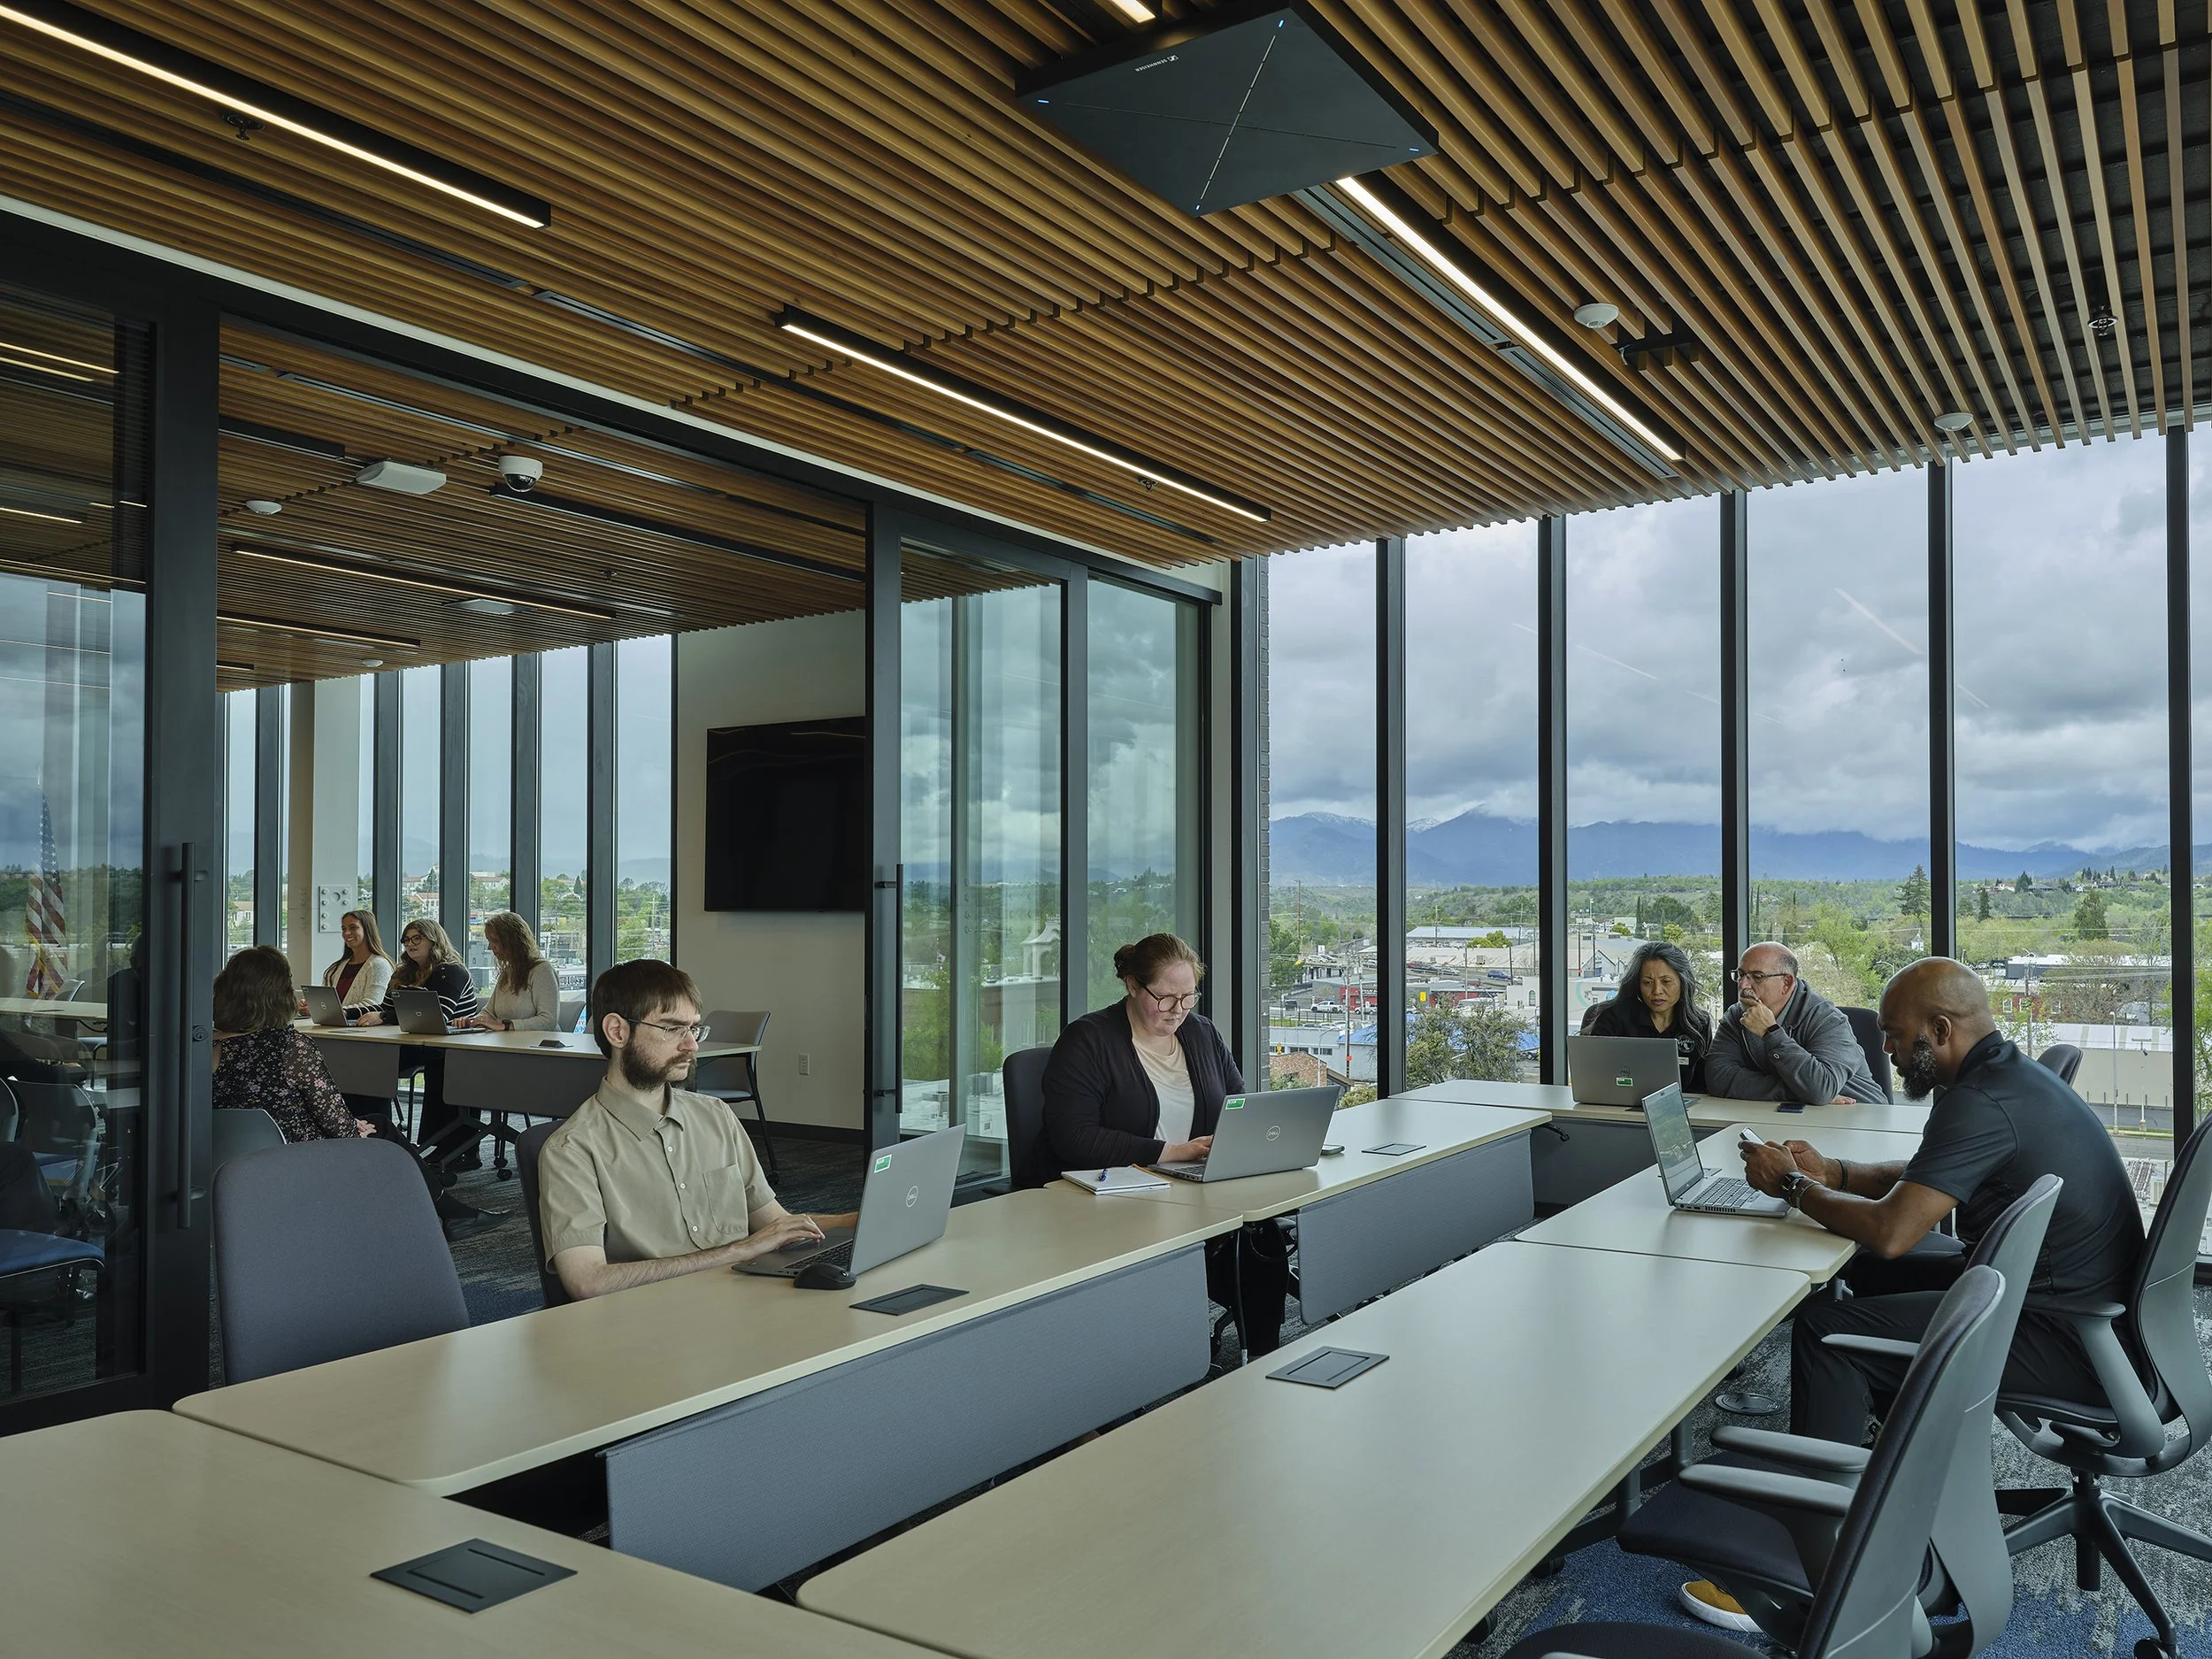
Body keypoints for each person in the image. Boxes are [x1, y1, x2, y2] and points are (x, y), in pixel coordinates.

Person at [1740, 956, 2141, 1446]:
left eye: (1893, 1033)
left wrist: (1793, 1187)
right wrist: (1835, 1173)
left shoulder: (1979, 1102)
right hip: (2064, 1302)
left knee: (1826, 1330)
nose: (1885, 1049)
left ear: (1941, 1029)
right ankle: (1892, 1442)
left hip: (2066, 1338)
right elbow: (1930, 1177)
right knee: (1868, 1271)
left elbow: (1892, 1232)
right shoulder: (2008, 1078)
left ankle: (1834, 1509)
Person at [1025, 933, 1294, 1356]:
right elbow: (1073, 1138)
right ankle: (1142, 1372)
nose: (1178, 1010)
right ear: (1132, 985)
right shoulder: (1089, 1041)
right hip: (1110, 1199)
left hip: (1187, 1189)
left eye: (1189, 997)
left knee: (1260, 1239)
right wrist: (1173, 1152)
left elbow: (1237, 1107)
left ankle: (1262, 1360)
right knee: (1219, 1252)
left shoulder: (1202, 1034)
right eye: (1165, 998)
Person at [534, 959, 854, 1301]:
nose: (692, 1045)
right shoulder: (572, 1150)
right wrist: (741, 1251)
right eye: (673, 1029)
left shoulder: (716, 1116)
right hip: (652, 1323)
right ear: (617, 1032)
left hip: (743, 1305)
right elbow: (588, 1281)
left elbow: (777, 1226)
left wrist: (860, 1220)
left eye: (694, 1029)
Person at [211, 946, 373, 1142]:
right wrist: (354, 1129)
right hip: (295, 1159)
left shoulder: (204, 1045)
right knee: (381, 1129)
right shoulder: (293, 1047)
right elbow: (339, 1126)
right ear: (281, 994)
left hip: (226, 1157)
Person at [356, 919, 482, 1164]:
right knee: (363, 1058)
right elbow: (385, 1009)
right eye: (407, 940)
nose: (410, 944)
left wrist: (383, 1017)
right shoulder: (404, 972)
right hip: (415, 1043)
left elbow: (437, 1016)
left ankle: (385, 1138)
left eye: (417, 938)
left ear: (433, 940)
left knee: (375, 1062)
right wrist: (352, 1015)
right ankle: (365, 1132)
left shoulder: (451, 971)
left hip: (452, 1047)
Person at [1704, 942, 1885, 1103]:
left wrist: (1770, 1032)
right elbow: (1717, 1078)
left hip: (1861, 1120)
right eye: (1741, 974)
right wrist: (1799, 1092)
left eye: (1757, 977)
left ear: (1787, 982)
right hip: (1786, 1118)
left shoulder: (1828, 1019)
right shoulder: (1737, 1016)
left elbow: (1820, 1088)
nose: (1743, 985)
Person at [1585, 940, 1712, 1093]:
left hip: (1681, 1110)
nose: (1657, 991)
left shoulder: (1699, 1023)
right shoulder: (1614, 1018)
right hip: (1619, 1108)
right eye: (1647, 982)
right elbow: (1595, 1079)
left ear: (1683, 982)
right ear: (1637, 984)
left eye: (1666, 981)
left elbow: (1704, 1086)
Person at [458, 911, 560, 1032]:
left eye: (494, 941)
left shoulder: (542, 970)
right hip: (508, 1043)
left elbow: (548, 1020)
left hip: (537, 1045)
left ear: (512, 941)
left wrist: (506, 1026)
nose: (490, 947)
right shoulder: (508, 971)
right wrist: (473, 1021)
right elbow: (489, 1012)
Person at [316, 910, 392, 1018]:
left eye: (353, 927)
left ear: (367, 930)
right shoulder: (336, 968)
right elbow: (325, 1003)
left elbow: (373, 1004)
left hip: (362, 1030)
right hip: (332, 1026)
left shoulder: (379, 965)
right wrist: (313, 1007)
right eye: (344, 929)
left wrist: (335, 1012)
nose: (346, 933)